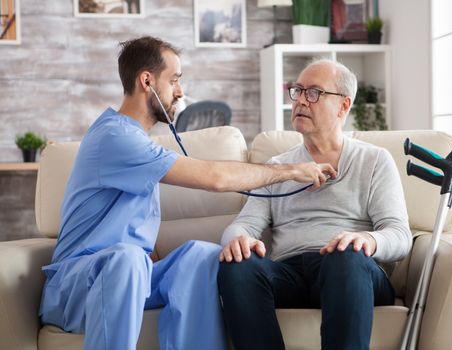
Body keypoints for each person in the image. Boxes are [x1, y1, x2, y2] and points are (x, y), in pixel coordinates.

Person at [38, 36, 336, 350]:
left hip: (128, 277)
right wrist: (292, 170)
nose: (180, 91)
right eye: (175, 80)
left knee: (201, 256)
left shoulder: (137, 142)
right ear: (147, 81)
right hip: (76, 288)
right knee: (127, 259)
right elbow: (216, 178)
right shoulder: (116, 138)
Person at [218, 59, 412, 350]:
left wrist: (366, 241)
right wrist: (236, 240)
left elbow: (399, 235)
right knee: (237, 265)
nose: (301, 101)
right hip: (291, 273)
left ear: (343, 106)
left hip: (351, 270)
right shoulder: (278, 167)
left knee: (345, 255)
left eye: (314, 93)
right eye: (298, 91)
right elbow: (245, 224)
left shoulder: (374, 160)